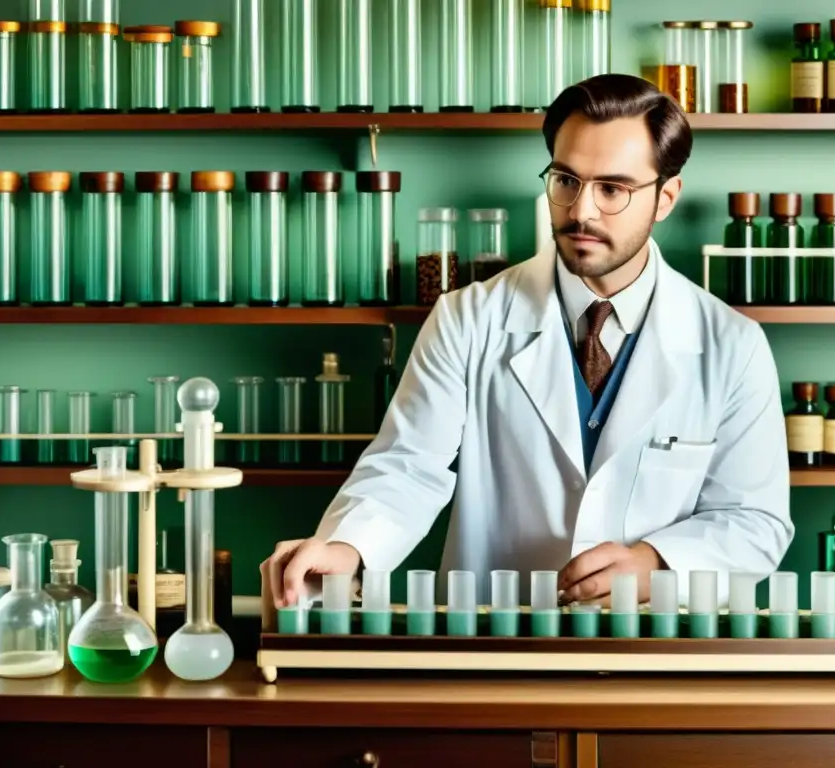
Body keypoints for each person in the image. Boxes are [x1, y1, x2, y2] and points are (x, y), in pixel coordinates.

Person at [262, 73, 793, 610]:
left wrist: (657, 562)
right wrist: (349, 547)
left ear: (664, 198)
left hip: (652, 646)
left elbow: (756, 521)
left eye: (612, 189)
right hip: (497, 641)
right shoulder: (468, 319)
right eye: (566, 180)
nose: (581, 210)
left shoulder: (731, 344)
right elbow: (408, 464)